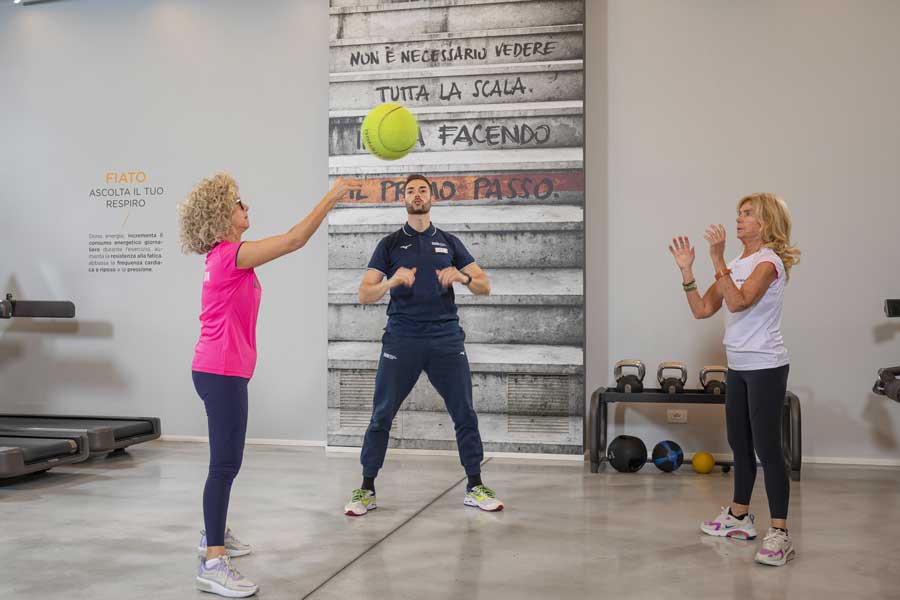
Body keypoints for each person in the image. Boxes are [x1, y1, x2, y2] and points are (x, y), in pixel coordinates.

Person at [178, 172, 355, 597]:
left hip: (220, 369)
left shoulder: (225, 257)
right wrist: (331, 198)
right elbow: (294, 240)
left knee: (228, 463)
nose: (246, 208)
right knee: (223, 465)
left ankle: (213, 534)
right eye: (239, 203)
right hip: (220, 372)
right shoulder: (229, 256)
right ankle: (213, 561)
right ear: (223, 215)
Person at [343, 173, 504, 517]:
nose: (417, 195)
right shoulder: (389, 244)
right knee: (382, 414)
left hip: (445, 338)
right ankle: (366, 488)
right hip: (402, 338)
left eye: (422, 190)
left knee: (464, 411)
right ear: (403, 199)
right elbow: (364, 293)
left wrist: (460, 276)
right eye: (411, 191)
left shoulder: (449, 241)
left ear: (432, 198)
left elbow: (484, 285)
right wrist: (391, 281)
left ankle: (475, 484)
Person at [668, 192, 800, 567]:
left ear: (766, 222)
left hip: (766, 366)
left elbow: (740, 301)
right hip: (738, 366)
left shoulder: (769, 262)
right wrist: (687, 271)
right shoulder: (736, 262)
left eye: (748, 214)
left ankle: (780, 533)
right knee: (739, 445)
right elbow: (702, 309)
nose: (739, 219)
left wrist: (715, 260)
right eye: (738, 213)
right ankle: (739, 517)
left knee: (768, 449)